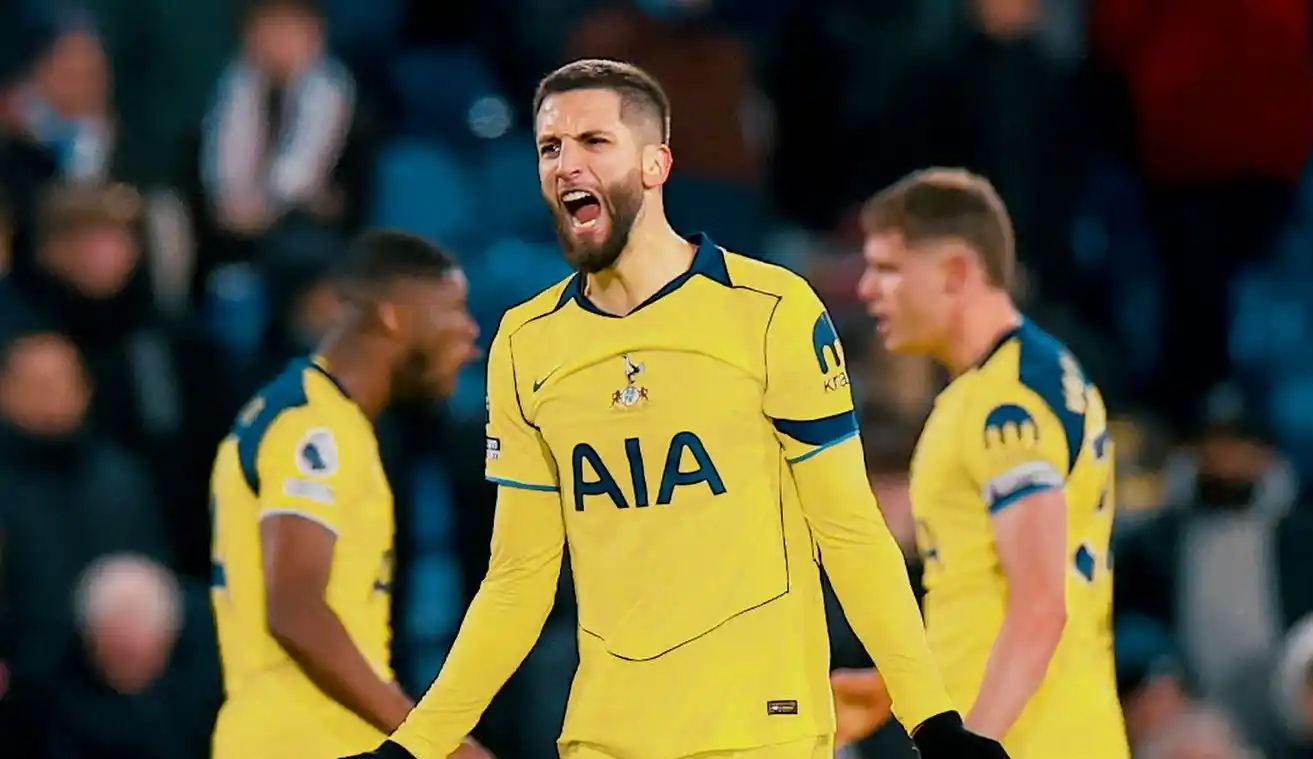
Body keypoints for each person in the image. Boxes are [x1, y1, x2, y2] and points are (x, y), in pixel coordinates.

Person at [344, 59, 1006, 759]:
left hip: (759, 730)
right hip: (606, 735)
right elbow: (518, 578)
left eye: (594, 142)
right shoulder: (525, 343)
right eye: (550, 147)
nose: (567, 164)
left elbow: (849, 532)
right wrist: (412, 747)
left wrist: (933, 720)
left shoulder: (772, 311)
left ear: (657, 163)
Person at [839, 168, 1129, 759]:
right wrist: (901, 690)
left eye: (889, 269)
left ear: (956, 273)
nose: (868, 289)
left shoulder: (1008, 401)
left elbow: (1041, 604)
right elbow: (985, 591)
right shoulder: (1012, 381)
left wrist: (969, 744)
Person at [208, 230, 488, 759]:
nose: (471, 334)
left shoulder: (333, 421)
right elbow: (295, 608)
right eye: (452, 311)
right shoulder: (312, 428)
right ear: (393, 316)